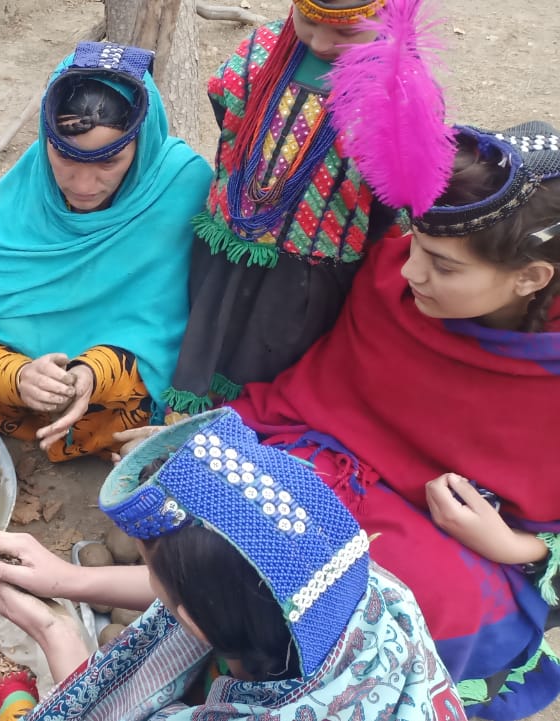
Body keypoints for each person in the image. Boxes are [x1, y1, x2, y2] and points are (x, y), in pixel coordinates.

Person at [226, 122, 560, 720]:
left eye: (444, 267)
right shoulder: (392, 284)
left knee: (429, 608)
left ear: (531, 278)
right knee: (226, 507)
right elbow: (312, 400)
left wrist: (518, 545)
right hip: (332, 465)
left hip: (458, 548)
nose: (408, 272)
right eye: (412, 243)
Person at [0, 409, 468, 721]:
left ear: (195, 621)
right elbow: (220, 590)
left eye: (149, 567)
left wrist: (57, 634)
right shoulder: (353, 585)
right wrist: (68, 580)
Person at [0, 42, 212, 462]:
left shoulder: (181, 189)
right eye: (65, 156)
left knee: (143, 399)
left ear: (143, 145)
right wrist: (18, 376)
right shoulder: (24, 192)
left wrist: (92, 373)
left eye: (109, 162)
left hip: (114, 376)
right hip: (29, 371)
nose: (83, 184)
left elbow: (170, 322)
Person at [162, 0, 410, 415]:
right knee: (207, 337)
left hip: (308, 272)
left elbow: (397, 194)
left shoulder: (399, 87)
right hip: (227, 243)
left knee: (269, 367)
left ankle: (240, 442)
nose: (321, 41)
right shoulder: (264, 47)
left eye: (346, 33)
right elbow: (225, 104)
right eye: (308, 21)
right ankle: (180, 432)